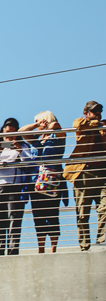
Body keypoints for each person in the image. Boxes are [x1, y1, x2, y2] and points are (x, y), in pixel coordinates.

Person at [19, 111, 66, 253]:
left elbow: (57, 127)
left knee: (52, 215)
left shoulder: (58, 136)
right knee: (38, 216)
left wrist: (48, 127)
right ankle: (41, 248)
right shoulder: (36, 139)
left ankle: (53, 248)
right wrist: (36, 125)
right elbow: (22, 132)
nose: (39, 124)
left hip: (53, 181)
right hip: (36, 182)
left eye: (39, 121)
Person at [63, 100, 106, 251]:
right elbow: (78, 125)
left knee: (104, 208)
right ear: (86, 113)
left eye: (100, 111)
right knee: (83, 211)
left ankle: (101, 242)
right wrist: (97, 124)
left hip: (102, 173)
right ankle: (84, 245)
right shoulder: (82, 122)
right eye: (94, 111)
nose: (98, 114)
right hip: (83, 172)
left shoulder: (103, 127)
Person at [0, 118, 28, 256]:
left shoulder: (22, 146)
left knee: (14, 218)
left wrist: (19, 150)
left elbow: (29, 163)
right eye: (6, 133)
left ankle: (12, 250)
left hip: (15, 185)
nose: (9, 137)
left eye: (12, 134)